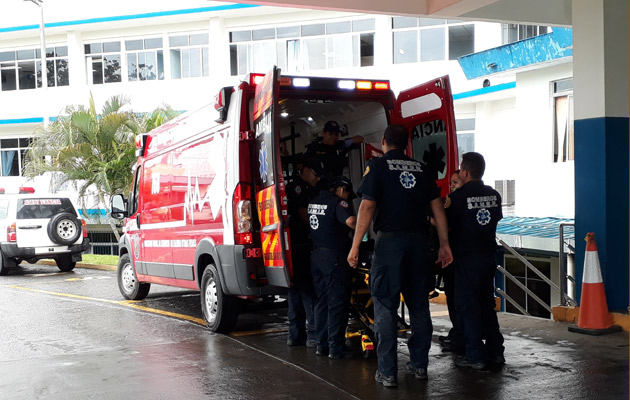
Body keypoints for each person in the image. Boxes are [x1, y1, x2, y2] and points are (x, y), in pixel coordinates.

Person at [347, 124, 453, 388]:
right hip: (419, 244)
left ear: (383, 142)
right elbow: (438, 208)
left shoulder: (378, 167)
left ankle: (388, 372)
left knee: (384, 304)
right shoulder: (423, 169)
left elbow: (368, 205)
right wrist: (444, 244)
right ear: (406, 145)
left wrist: (355, 245)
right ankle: (419, 367)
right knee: (419, 306)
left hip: (390, 245)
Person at [445, 152, 504, 370]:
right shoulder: (495, 195)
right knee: (487, 304)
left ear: (465, 172)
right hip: (488, 257)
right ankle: (496, 351)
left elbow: (446, 223)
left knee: (468, 306)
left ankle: (475, 354)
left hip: (466, 259)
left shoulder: (458, 198)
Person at [308, 175, 357, 359]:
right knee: (337, 303)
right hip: (334, 257)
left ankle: (321, 346)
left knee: (321, 302)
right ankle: (336, 349)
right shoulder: (339, 204)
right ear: (342, 190)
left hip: (317, 256)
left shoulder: (314, 201)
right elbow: (351, 221)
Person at [285, 157, 325, 348]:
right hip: (300, 245)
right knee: (307, 291)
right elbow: (303, 213)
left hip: (302, 245)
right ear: (306, 170)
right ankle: (313, 335)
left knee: (296, 291)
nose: (318, 179)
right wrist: (322, 230)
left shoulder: (313, 188)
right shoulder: (296, 188)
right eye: (316, 175)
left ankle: (296, 335)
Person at [439, 169, 464, 354]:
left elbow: (445, 226)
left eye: (455, 183)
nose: (452, 186)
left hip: (455, 257)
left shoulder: (456, 201)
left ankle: (459, 337)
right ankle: (457, 333)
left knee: (456, 299)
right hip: (465, 258)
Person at [303, 120, 364, 185]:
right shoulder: (314, 147)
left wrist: (348, 141)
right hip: (319, 184)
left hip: (337, 183)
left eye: (336, 134)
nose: (333, 137)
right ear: (324, 133)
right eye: (330, 134)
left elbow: (360, 138)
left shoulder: (340, 145)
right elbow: (301, 166)